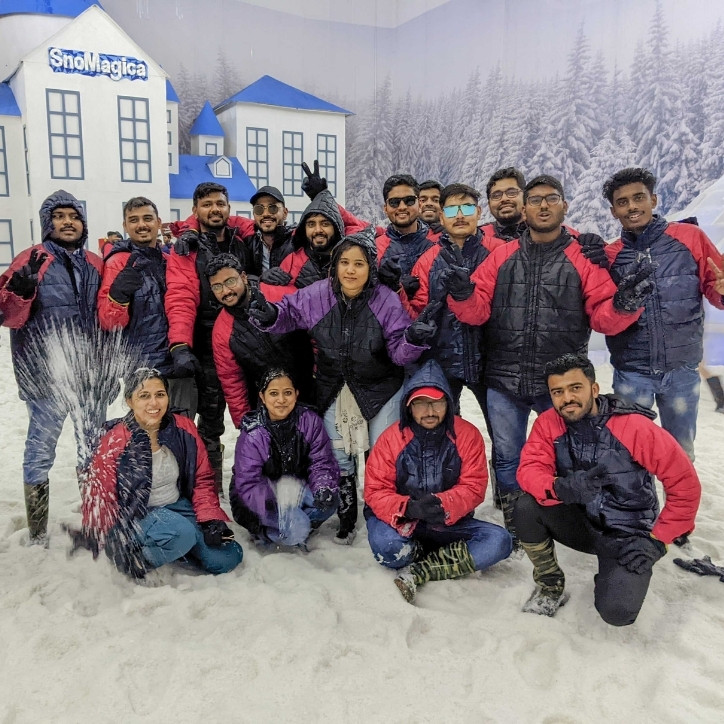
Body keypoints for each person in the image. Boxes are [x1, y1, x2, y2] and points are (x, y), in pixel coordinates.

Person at [442, 174, 653, 546]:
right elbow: (475, 312)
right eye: (535, 200)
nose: (542, 205)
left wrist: (625, 303)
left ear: (564, 206)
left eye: (551, 198)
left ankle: (570, 516)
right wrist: (461, 294)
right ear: (524, 210)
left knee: (570, 455)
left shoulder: (581, 259)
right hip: (503, 379)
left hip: (559, 386)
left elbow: (603, 316)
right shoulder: (500, 258)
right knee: (507, 456)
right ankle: (517, 521)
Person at [248, 227, 434, 544]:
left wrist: (413, 340)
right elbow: (289, 312)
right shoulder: (319, 294)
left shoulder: (385, 301)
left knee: (382, 455)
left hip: (380, 387)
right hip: (334, 384)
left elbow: (399, 355)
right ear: (335, 265)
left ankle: (380, 514)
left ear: (370, 268)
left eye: (359, 263)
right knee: (339, 456)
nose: (350, 270)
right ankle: (346, 516)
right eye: (344, 262)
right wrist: (269, 315)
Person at [515, 353, 701, 624]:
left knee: (618, 613)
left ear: (594, 389)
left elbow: (685, 484)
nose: (567, 398)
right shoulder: (548, 423)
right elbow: (528, 470)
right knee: (525, 506)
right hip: (582, 521)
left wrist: (660, 539)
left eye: (575, 388)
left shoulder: (634, 427)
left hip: (628, 532)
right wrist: (560, 487)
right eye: (558, 391)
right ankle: (550, 582)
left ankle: (613, 574)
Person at [0, 190, 107, 544]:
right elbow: (7, 315)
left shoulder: (95, 261)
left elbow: (107, 317)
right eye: (59, 216)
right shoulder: (31, 259)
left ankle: (94, 517)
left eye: (73, 216)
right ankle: (37, 530)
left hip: (89, 375)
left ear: (82, 223)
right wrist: (20, 291)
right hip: (46, 378)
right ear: (49, 223)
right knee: (40, 449)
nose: (67, 222)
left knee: (92, 448)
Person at [364, 360, 512, 603]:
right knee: (387, 550)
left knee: (499, 542)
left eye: (437, 403)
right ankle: (438, 554)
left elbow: (474, 486)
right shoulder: (391, 438)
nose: (430, 411)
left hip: (448, 522)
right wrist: (407, 507)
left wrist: (444, 504)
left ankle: (422, 569)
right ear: (409, 406)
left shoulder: (467, 435)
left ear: (448, 404)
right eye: (421, 403)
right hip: (402, 521)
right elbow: (375, 490)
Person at [602, 167, 724, 462]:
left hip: (681, 370)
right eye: (623, 202)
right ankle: (640, 509)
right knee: (632, 455)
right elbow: (603, 315)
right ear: (613, 210)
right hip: (632, 371)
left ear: (653, 200)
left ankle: (681, 508)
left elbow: (715, 290)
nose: (632, 206)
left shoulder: (690, 237)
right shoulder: (610, 255)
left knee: (680, 455)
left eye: (639, 197)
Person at [80, 368, 243, 579]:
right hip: (137, 514)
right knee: (182, 533)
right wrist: (99, 533)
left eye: (160, 395)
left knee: (228, 557)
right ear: (129, 401)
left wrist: (209, 518)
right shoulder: (114, 439)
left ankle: (180, 543)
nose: (154, 403)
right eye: (144, 396)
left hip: (177, 506)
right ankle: (135, 561)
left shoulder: (183, 428)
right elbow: (101, 492)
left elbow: (202, 478)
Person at [165, 182, 252, 492]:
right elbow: (180, 297)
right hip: (204, 346)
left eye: (220, 203)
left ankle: (250, 485)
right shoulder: (187, 248)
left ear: (229, 208)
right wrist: (180, 344)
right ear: (195, 210)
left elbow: (260, 224)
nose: (214, 209)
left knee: (251, 415)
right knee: (208, 423)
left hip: (244, 342)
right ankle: (207, 489)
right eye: (207, 204)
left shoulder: (241, 239)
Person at [229, 368, 339, 549]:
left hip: (298, 489)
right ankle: (267, 532)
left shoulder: (309, 421)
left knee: (329, 500)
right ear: (262, 397)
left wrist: (322, 487)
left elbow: (322, 461)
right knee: (295, 529)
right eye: (273, 393)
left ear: (296, 394)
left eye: (287, 393)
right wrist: (279, 499)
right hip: (259, 501)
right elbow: (248, 483)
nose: (281, 400)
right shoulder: (253, 433)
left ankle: (296, 525)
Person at [208, 254, 314, 427]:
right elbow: (232, 381)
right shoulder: (222, 329)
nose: (226, 291)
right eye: (217, 286)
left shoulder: (278, 293)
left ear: (243, 276)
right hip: (271, 404)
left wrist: (320, 372)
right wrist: (244, 421)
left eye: (230, 282)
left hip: (310, 386)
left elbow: (314, 329)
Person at [97, 197, 173, 377]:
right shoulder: (118, 262)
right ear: (125, 226)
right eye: (134, 220)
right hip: (141, 368)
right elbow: (108, 323)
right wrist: (118, 297)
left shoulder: (169, 262)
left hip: (175, 362)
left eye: (147, 218)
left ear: (158, 222)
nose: (141, 225)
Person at [375, 174, 439, 297]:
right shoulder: (375, 249)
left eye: (409, 200)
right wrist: (388, 287)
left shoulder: (438, 241)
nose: (402, 207)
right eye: (394, 202)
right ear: (385, 208)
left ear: (419, 204)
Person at [480, 167, 528, 243]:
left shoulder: (545, 234)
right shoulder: (478, 240)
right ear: (489, 204)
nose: (504, 199)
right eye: (496, 195)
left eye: (512, 193)